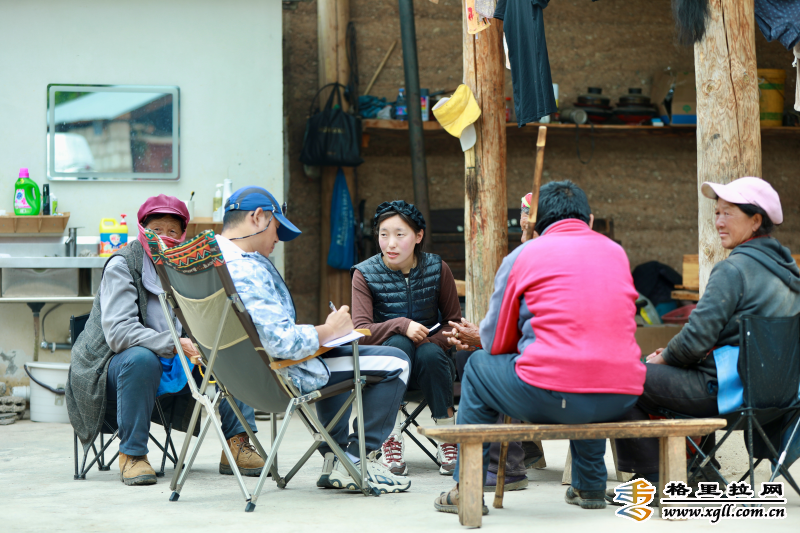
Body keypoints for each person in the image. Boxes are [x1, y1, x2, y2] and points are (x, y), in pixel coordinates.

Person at [434, 180, 645, 515]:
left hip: (550, 395)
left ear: (534, 224)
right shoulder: (616, 252)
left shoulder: (523, 255)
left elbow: (496, 342)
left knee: (476, 367)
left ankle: (468, 488)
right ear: (589, 220)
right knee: (588, 368)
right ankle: (589, 486)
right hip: (621, 396)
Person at [216, 186, 412, 493]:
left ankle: (335, 459)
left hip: (236, 378)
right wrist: (329, 330)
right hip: (279, 375)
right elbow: (283, 343)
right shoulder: (244, 268)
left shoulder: (208, 264)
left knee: (336, 353)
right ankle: (355, 460)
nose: (277, 239)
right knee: (396, 361)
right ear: (257, 217)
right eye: (276, 228)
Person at [613, 177, 800, 495]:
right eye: (717, 213)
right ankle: (700, 470)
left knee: (623, 377)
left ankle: (654, 479)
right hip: (780, 399)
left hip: (729, 393)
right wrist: (671, 355)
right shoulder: (789, 273)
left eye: (728, 213)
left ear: (755, 221)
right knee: (690, 366)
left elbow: (693, 342)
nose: (719, 222)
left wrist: (662, 358)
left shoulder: (733, 270)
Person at [66, 194, 264, 487]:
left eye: (172, 231)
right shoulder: (123, 264)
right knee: (141, 358)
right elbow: (120, 333)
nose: (164, 236)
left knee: (230, 349)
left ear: (182, 235)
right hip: (112, 368)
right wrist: (175, 344)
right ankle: (132, 454)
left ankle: (237, 442)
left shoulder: (185, 263)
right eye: (156, 229)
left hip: (173, 362)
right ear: (142, 229)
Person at [350, 200, 461, 476]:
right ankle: (389, 437)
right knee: (398, 345)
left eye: (400, 235)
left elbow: (454, 324)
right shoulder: (364, 274)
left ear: (418, 236)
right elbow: (361, 331)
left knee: (429, 352)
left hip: (431, 368)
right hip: (384, 371)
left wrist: (427, 341)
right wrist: (401, 325)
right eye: (384, 234)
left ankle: (447, 435)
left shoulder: (438, 268)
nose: (391, 243)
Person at [448, 191, 542, 492]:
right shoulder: (598, 255)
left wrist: (482, 337)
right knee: (473, 355)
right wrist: (483, 335)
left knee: (481, 364)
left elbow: (519, 334)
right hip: (571, 367)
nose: (523, 235)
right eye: (522, 224)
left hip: (548, 373)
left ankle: (503, 465)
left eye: (529, 225)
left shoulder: (528, 260)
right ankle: (522, 448)